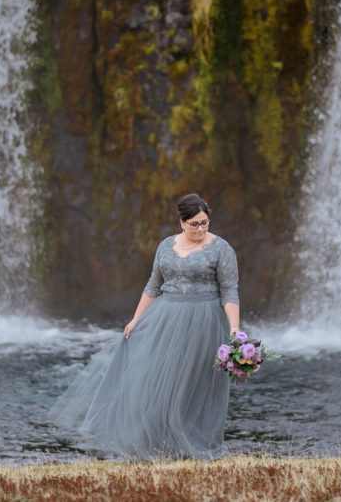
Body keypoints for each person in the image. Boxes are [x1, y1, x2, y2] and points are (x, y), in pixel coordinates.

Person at [48, 193, 241, 460]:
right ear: (181, 222)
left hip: (203, 320)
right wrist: (136, 319)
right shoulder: (165, 246)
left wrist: (234, 330)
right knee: (154, 379)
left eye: (205, 222)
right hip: (165, 318)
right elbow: (153, 285)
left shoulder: (221, 249)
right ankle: (154, 444)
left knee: (190, 385)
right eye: (195, 224)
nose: (201, 228)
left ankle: (192, 446)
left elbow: (230, 291)